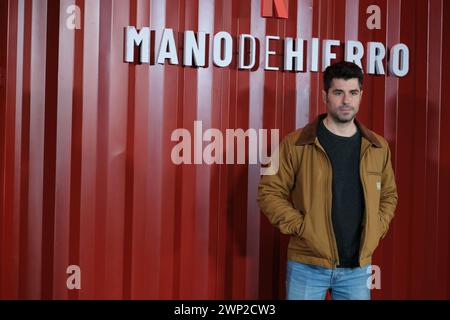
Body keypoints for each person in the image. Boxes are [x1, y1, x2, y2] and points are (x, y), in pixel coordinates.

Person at [257, 61, 398, 300]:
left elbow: (389, 195)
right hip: (307, 266)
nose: (346, 101)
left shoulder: (377, 147)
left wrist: (377, 228)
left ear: (361, 95)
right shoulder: (295, 143)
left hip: (357, 269)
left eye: (353, 93)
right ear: (325, 95)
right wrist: (302, 227)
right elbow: (268, 191)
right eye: (338, 92)